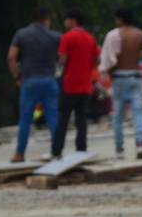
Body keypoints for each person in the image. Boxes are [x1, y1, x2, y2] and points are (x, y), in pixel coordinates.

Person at [7, 8, 61, 162]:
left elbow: (11, 57)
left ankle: (20, 153)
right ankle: (57, 151)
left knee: (25, 119)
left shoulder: (22, 34)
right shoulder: (55, 36)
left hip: (29, 81)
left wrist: (17, 77)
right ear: (47, 19)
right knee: (53, 117)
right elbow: (64, 56)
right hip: (50, 80)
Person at [99, 7, 142, 160]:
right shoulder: (140, 34)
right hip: (136, 76)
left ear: (120, 19)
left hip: (119, 78)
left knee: (118, 115)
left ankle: (119, 149)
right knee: (138, 113)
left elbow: (109, 61)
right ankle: (140, 144)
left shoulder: (114, 35)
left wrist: (110, 75)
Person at [52, 9, 100, 158]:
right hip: (85, 86)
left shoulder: (67, 37)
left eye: (66, 20)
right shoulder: (90, 39)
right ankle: (81, 150)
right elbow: (97, 59)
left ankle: (57, 151)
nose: (65, 23)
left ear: (72, 21)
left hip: (69, 84)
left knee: (63, 119)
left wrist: (58, 73)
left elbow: (62, 59)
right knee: (81, 120)